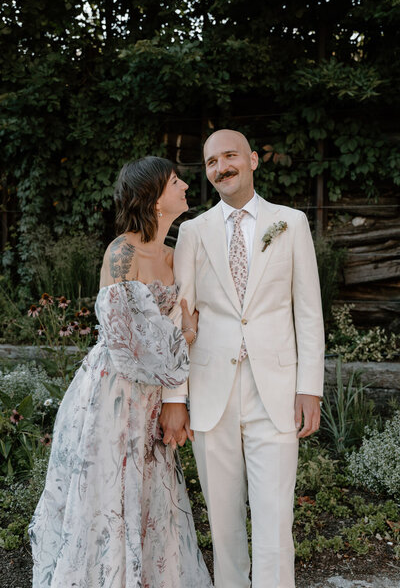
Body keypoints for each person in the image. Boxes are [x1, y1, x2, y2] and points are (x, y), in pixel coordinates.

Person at [29, 156, 213, 588]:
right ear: (152, 197)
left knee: (150, 494)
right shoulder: (122, 252)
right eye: (175, 181)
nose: (186, 185)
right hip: (114, 394)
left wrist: (176, 393)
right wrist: (184, 336)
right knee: (112, 491)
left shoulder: (175, 255)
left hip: (153, 397)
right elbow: (124, 341)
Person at [159, 130, 325, 588]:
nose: (221, 167)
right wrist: (177, 394)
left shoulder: (291, 222)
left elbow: (308, 311)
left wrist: (309, 387)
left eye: (230, 156)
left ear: (253, 159)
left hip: (275, 390)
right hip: (211, 394)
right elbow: (181, 315)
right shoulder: (192, 231)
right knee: (225, 526)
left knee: (275, 522)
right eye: (212, 161)